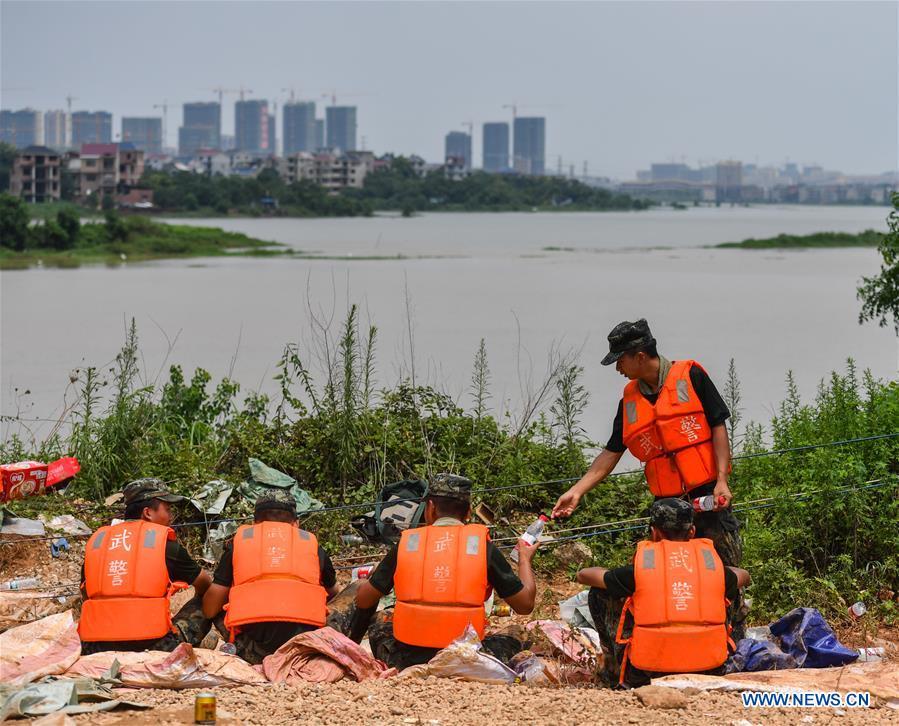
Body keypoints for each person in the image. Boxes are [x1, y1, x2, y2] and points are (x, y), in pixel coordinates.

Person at [552, 319, 742, 569]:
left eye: (620, 360)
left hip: (708, 494)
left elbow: (718, 426)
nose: (618, 367)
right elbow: (611, 452)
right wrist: (577, 491)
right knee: (668, 570)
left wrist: (721, 481)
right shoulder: (629, 401)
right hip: (666, 505)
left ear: (640, 356)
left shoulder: (692, 376)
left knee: (723, 570)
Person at [350, 473, 539, 670]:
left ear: (429, 508)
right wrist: (524, 559)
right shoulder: (482, 547)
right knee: (520, 632)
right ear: (468, 513)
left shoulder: (407, 543)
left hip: (407, 658)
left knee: (381, 620)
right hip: (466, 659)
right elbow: (525, 605)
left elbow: (364, 600)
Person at [577, 498, 750, 688]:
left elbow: (584, 575)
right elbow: (744, 576)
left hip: (648, 672)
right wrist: (716, 572)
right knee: (731, 590)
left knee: (599, 592)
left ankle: (612, 672)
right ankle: (734, 658)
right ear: (692, 532)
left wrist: (614, 574)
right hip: (710, 668)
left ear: (654, 532)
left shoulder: (640, 569)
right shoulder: (711, 566)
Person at [202, 490, 340, 664]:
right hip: (304, 648)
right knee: (354, 590)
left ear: (254, 522)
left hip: (251, 650)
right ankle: (333, 651)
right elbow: (334, 593)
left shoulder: (238, 544)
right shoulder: (313, 546)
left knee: (209, 594)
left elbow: (210, 609)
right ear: (295, 523)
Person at [79, 479, 213, 654]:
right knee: (211, 597)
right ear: (148, 512)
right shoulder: (164, 545)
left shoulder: (99, 543)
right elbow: (205, 584)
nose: (170, 516)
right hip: (153, 646)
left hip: (96, 646)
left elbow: (86, 594)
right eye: (167, 509)